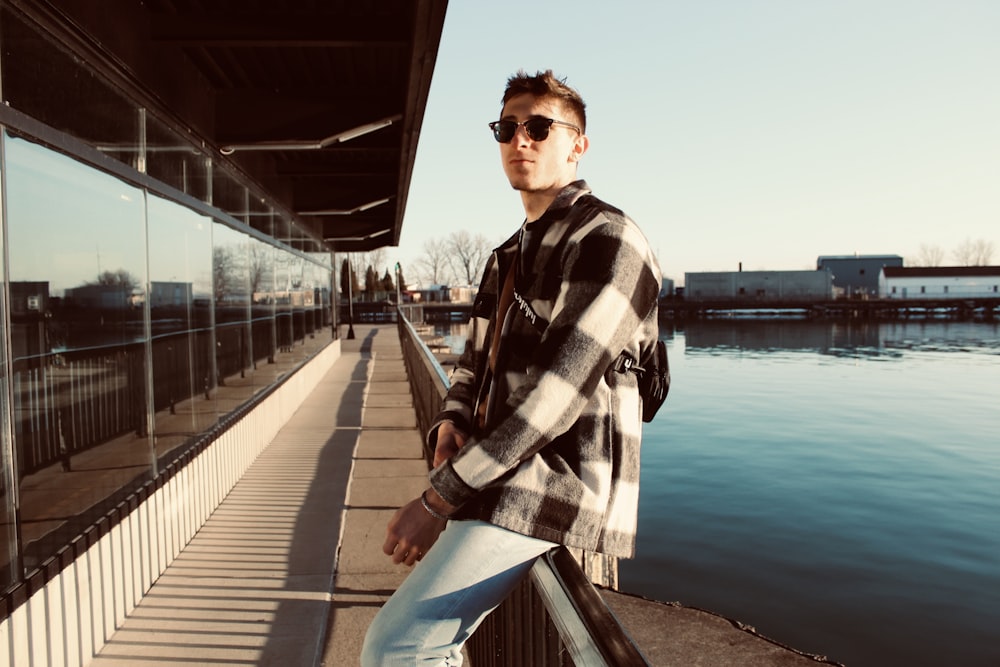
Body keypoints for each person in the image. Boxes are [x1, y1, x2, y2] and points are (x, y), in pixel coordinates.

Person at [361, 69, 662, 666]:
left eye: (539, 127)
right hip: (505, 473)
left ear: (577, 144)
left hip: (560, 483)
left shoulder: (609, 240)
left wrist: (435, 502)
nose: (520, 140)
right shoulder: (507, 256)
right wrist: (450, 422)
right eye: (507, 128)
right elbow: (473, 362)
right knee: (409, 645)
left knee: (397, 647)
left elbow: (556, 396)